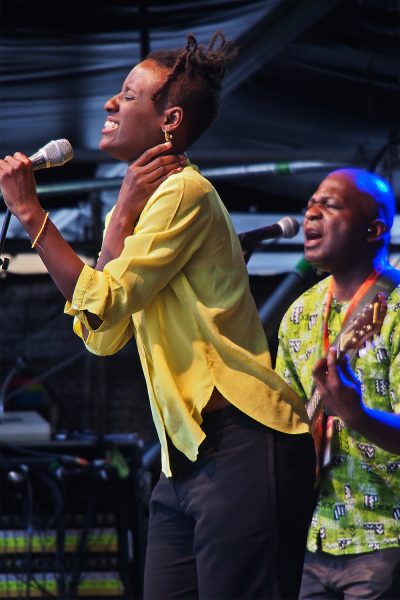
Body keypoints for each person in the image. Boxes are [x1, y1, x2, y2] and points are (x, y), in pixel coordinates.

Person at [0, 32, 316, 599]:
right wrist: (119, 215)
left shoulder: (184, 193)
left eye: (126, 94)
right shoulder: (149, 208)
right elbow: (102, 334)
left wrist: (29, 212)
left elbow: (106, 300)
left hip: (242, 441)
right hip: (186, 458)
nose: (108, 104)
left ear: (169, 119)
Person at [275, 168, 400, 599]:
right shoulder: (298, 314)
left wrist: (355, 413)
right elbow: (287, 424)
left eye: (328, 205)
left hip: (387, 538)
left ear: (374, 229)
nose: (311, 212)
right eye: (310, 203)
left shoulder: (396, 308)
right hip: (315, 536)